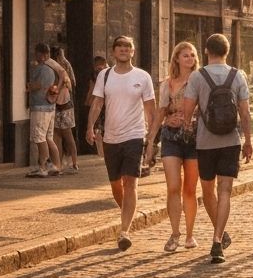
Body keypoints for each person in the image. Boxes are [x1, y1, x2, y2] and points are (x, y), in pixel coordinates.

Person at [172, 34, 252, 263]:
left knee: (208, 192)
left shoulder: (198, 76)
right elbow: (245, 114)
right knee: (225, 191)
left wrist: (187, 128)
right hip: (231, 142)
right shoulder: (238, 76)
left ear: (207, 51)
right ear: (227, 51)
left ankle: (219, 234)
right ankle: (218, 240)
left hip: (205, 142)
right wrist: (248, 141)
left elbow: (187, 110)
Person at [85, 35, 156, 251]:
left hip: (134, 135)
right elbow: (97, 102)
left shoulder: (142, 77)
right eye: (120, 46)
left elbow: (151, 108)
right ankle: (127, 211)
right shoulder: (105, 76)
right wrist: (90, 126)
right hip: (110, 137)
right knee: (116, 184)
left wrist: (151, 139)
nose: (124, 49)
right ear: (114, 52)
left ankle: (124, 231)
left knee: (130, 182)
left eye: (128, 46)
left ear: (133, 52)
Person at [145, 41, 201, 252]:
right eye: (185, 55)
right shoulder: (166, 84)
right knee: (173, 187)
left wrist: (191, 117)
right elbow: (160, 112)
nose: (190, 59)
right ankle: (175, 233)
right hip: (171, 137)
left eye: (192, 55)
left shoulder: (199, 81)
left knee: (189, 189)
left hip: (193, 138)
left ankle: (189, 234)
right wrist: (151, 140)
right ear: (177, 58)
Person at [25, 43, 60, 178]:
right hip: (50, 107)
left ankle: (43, 167)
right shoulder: (52, 69)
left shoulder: (41, 69)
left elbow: (37, 85)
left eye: (37, 53)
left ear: (39, 54)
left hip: (40, 106)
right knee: (49, 137)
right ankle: (54, 165)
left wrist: (28, 86)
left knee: (39, 138)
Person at [50, 45, 78, 173]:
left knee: (64, 135)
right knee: (62, 135)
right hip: (62, 103)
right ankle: (65, 163)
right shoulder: (61, 65)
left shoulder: (61, 66)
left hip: (63, 103)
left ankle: (69, 163)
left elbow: (69, 82)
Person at [84, 55, 108, 156]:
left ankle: (102, 152)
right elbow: (92, 88)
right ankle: (101, 152)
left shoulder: (108, 73)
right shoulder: (96, 74)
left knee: (101, 129)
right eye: (96, 67)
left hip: (106, 105)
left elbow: (92, 89)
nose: (97, 68)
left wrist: (88, 100)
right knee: (98, 129)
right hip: (101, 104)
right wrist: (88, 100)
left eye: (99, 66)